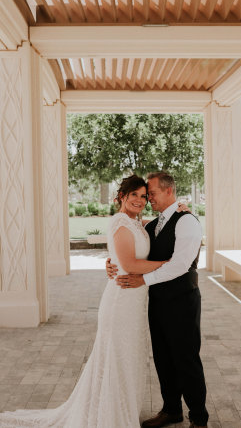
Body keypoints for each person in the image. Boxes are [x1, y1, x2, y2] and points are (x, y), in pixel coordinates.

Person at [0, 175, 180, 428]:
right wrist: (175, 264)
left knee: (127, 357)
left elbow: (136, 247)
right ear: (121, 197)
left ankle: (119, 410)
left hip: (134, 300)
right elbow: (129, 264)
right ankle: (110, 416)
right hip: (121, 300)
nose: (140, 200)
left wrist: (180, 208)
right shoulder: (121, 223)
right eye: (134, 195)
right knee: (117, 356)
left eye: (144, 195)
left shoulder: (136, 222)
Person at [107, 172, 209, 428]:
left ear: (168, 191)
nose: (147, 198)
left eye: (150, 193)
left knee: (186, 359)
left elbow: (180, 266)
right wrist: (114, 264)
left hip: (182, 301)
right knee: (163, 358)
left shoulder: (186, 222)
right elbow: (134, 252)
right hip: (156, 302)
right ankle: (171, 410)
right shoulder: (152, 225)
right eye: (143, 194)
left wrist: (143, 280)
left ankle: (198, 418)